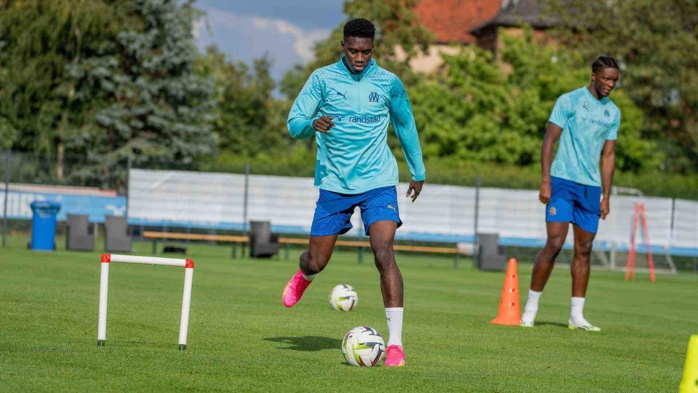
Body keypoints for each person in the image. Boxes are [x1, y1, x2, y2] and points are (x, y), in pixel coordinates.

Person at [281, 18, 425, 367]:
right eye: (353, 50)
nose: (359, 57)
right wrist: (311, 124)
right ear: (342, 46)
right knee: (317, 259)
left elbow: (405, 124)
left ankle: (395, 345)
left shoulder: (388, 82)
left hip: (378, 180)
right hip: (334, 183)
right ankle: (306, 275)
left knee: (383, 252)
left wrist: (417, 171)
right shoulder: (322, 79)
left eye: (366, 51)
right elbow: (293, 122)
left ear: (373, 48)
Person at [520, 56, 621, 331]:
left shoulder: (613, 113)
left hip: (591, 189)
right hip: (562, 181)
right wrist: (545, 180)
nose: (611, 84)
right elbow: (549, 140)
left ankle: (576, 315)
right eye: (607, 78)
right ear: (593, 76)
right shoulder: (569, 101)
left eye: (615, 80)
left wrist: (607, 195)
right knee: (554, 243)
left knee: (584, 250)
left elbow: (608, 155)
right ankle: (530, 308)